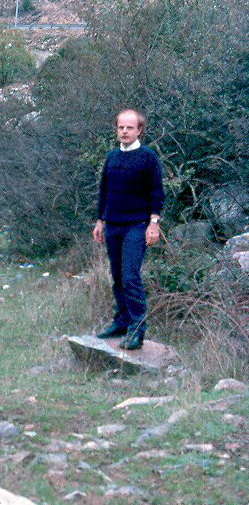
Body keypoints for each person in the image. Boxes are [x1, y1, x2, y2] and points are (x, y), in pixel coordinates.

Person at [93, 109, 164, 350]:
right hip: (112, 225)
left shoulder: (148, 158)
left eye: (129, 128)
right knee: (118, 277)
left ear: (139, 130)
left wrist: (154, 223)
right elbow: (104, 191)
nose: (124, 131)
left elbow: (157, 192)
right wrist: (100, 220)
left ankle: (137, 329)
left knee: (131, 277)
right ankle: (121, 322)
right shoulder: (112, 157)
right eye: (120, 127)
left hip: (137, 226)